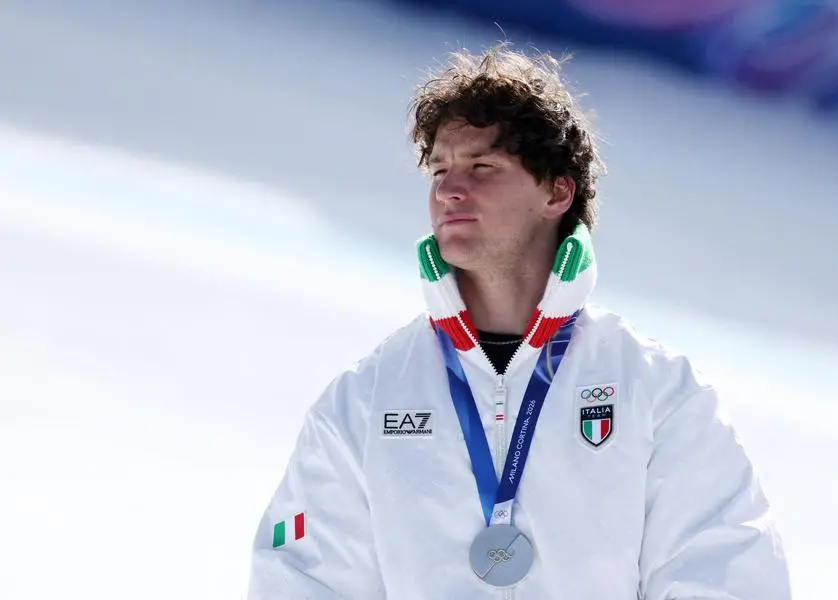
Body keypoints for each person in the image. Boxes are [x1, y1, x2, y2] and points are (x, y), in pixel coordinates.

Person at [246, 44, 791, 599]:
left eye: (482, 166)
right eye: (440, 169)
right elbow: (301, 580)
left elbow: (727, 573)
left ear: (557, 190)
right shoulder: (365, 401)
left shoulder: (655, 391)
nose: (449, 189)